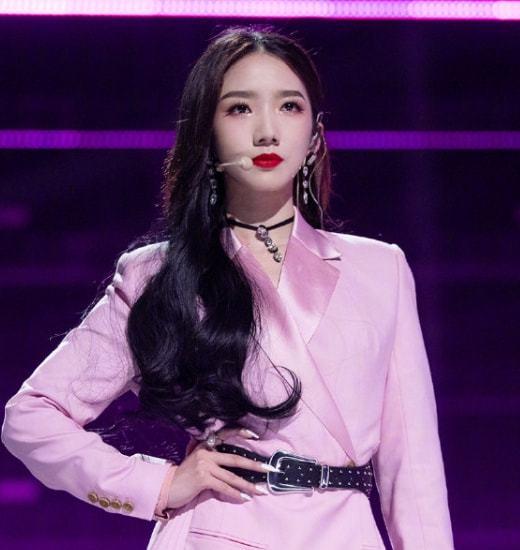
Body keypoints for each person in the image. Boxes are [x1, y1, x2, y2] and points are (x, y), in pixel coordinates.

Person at [1, 25, 454, 549]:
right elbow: (30, 418)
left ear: (314, 134)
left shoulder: (380, 269)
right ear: (207, 132)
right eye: (240, 108)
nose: (267, 131)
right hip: (218, 531)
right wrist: (158, 485)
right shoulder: (158, 275)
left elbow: (413, 469)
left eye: (289, 106)